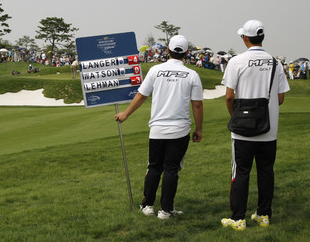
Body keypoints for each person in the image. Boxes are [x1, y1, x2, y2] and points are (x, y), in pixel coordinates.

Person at [114, 35, 204, 220]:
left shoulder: (156, 70)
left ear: (168, 50)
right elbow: (197, 105)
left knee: (154, 167)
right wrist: (199, 129)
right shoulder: (192, 74)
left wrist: (125, 114)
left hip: (157, 130)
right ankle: (165, 210)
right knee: (171, 169)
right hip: (179, 131)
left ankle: (147, 206)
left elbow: (141, 96)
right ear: (187, 53)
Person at [221, 20, 290, 231]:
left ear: (245, 38)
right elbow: (279, 99)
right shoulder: (275, 63)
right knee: (266, 171)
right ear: (262, 37)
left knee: (241, 172)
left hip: (242, 130)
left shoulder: (236, 61)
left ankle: (238, 218)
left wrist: (235, 117)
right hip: (269, 129)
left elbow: (229, 97)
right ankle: (263, 215)